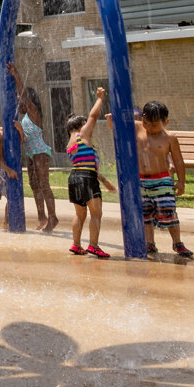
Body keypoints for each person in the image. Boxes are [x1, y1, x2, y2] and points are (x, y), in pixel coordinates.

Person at [136, 100, 194, 259]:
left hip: (162, 180)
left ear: (165, 122)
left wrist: (181, 182)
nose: (149, 128)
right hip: (141, 181)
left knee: (168, 212)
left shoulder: (169, 138)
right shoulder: (137, 129)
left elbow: (179, 161)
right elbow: (115, 125)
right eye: (146, 123)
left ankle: (177, 243)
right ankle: (149, 242)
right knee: (145, 214)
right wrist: (111, 118)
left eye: (154, 125)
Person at [6, 63, 58, 233]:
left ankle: (53, 217)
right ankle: (41, 216)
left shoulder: (33, 113)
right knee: (34, 185)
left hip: (40, 152)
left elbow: (24, 95)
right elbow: (23, 139)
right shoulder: (25, 118)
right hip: (30, 153)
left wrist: (16, 75)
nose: (17, 102)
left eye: (18, 100)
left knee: (44, 185)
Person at [66, 87, 117, 258]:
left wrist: (104, 181)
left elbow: (85, 166)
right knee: (96, 214)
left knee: (80, 215)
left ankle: (76, 245)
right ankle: (93, 246)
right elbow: (93, 117)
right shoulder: (83, 134)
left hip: (74, 178)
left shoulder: (70, 142)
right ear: (81, 126)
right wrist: (100, 98)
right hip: (87, 179)